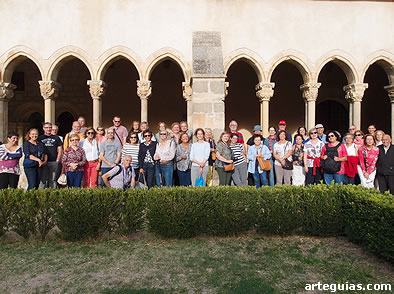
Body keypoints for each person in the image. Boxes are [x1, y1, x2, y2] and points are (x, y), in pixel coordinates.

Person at [39, 122, 63, 188]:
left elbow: (60, 149)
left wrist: (58, 160)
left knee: (52, 179)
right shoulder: (40, 138)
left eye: (50, 127)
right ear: (43, 128)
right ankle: (42, 195)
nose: (48, 129)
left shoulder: (56, 138)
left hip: (53, 161)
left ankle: (53, 195)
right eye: (46, 128)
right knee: (43, 179)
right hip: (43, 161)